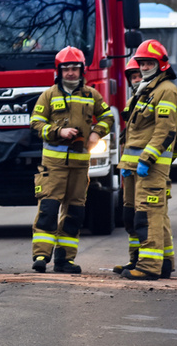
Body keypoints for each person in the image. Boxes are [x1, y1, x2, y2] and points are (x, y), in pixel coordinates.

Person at [29, 46, 115, 273]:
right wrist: (58, 132)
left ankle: (64, 260)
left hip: (80, 165)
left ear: (81, 70)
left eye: (74, 69)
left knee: (75, 212)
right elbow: (36, 123)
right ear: (59, 71)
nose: (70, 73)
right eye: (66, 69)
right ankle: (40, 256)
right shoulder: (48, 95)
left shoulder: (91, 95)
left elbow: (107, 116)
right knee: (48, 208)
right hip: (54, 165)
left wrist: (97, 132)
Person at [116, 40, 177, 280]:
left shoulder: (166, 90)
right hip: (134, 166)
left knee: (148, 214)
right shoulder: (144, 90)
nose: (144, 67)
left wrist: (148, 159)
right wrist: (126, 164)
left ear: (161, 64)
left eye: (149, 63)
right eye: (142, 62)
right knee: (134, 214)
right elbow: (134, 133)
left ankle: (148, 267)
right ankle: (160, 262)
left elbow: (166, 131)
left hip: (150, 166)